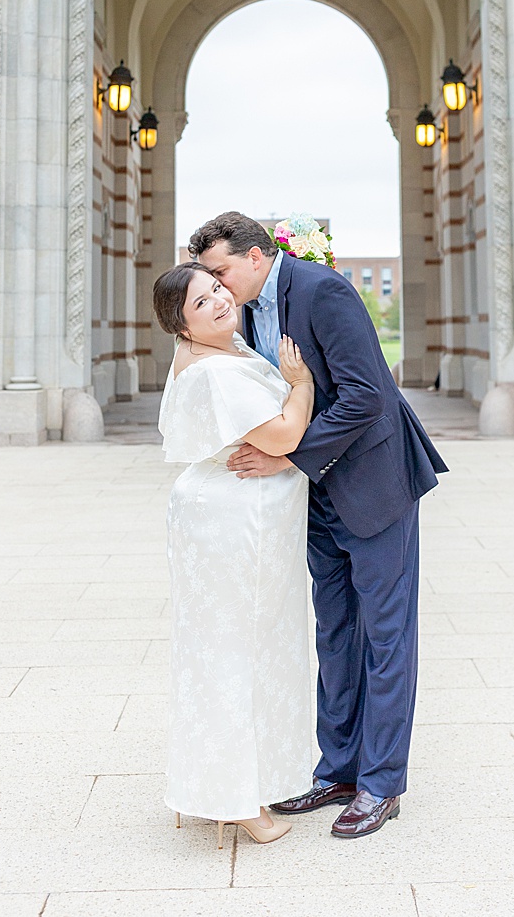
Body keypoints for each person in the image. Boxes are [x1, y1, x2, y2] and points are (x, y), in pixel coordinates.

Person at [191, 212, 448, 840]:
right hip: (314, 493)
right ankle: (338, 769)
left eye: (222, 272)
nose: (218, 288)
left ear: (256, 256)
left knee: (385, 635)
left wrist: (286, 455)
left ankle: (382, 782)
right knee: (334, 629)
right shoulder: (246, 309)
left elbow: (367, 394)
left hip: (374, 481)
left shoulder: (323, 291)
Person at [154, 262, 317, 847]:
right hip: (231, 523)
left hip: (231, 516)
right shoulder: (217, 371)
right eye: (202, 303)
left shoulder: (217, 353)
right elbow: (279, 437)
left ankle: (221, 786)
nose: (221, 301)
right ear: (184, 327)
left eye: (218, 288)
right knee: (236, 651)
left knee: (237, 647)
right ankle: (236, 800)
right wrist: (301, 384)